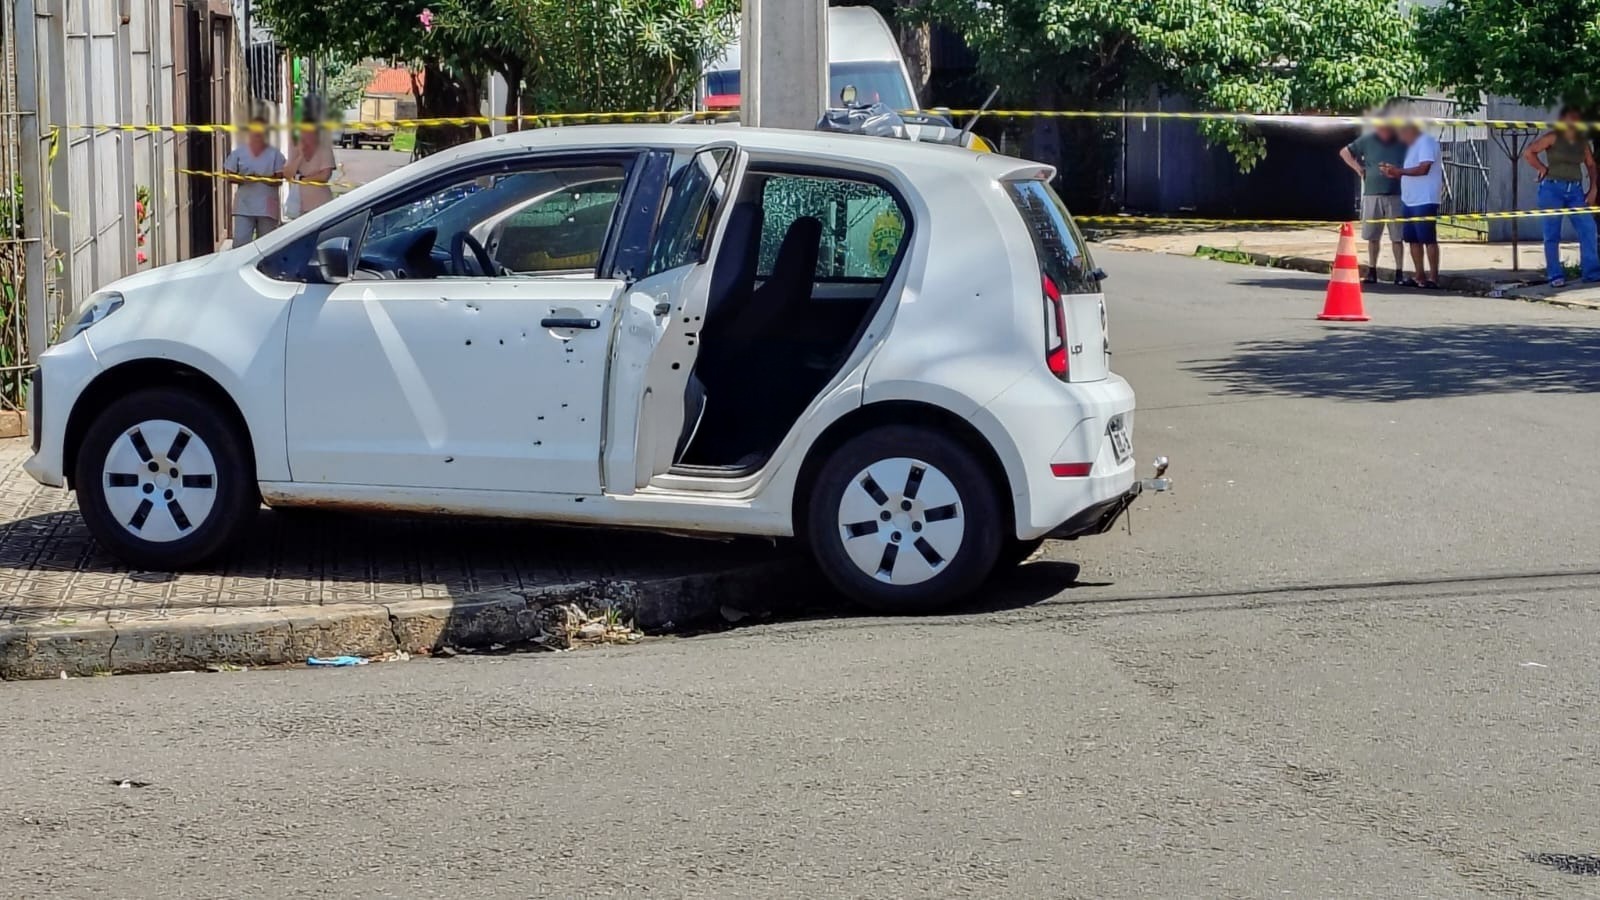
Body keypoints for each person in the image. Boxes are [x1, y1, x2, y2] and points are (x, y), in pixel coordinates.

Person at [1522, 105, 1600, 287]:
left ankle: (1591, 272)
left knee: (1588, 228)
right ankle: (1555, 275)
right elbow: (1529, 152)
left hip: (1575, 190)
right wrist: (1542, 168)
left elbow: (1591, 164)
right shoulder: (1553, 137)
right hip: (1552, 188)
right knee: (1552, 233)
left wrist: (1593, 187)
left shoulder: (1582, 142)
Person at [1339, 123, 1408, 284]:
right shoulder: (1368, 140)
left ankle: (1399, 272)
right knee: (1372, 236)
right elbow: (1344, 152)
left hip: (1395, 194)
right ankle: (1372, 270)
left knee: (1397, 236)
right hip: (1372, 193)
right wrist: (1359, 169)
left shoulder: (1402, 142)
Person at [1381, 124, 1443, 289]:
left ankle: (1433, 277)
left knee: (1428, 239)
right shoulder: (1409, 148)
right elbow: (1407, 172)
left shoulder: (1426, 142)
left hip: (1425, 198)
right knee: (1412, 240)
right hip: (1409, 199)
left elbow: (1424, 169)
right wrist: (1393, 172)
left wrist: (1399, 171)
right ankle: (1419, 275)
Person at [223, 117, 287, 245]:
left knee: (267, 244)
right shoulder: (239, 153)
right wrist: (245, 179)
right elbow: (229, 176)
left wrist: (261, 179)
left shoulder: (275, 154)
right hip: (244, 206)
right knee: (241, 242)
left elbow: (279, 179)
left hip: (267, 207)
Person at [284, 119, 337, 216]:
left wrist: (303, 179)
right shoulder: (296, 149)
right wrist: (300, 155)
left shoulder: (324, 148)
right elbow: (287, 175)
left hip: (320, 203)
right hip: (300, 205)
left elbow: (325, 176)